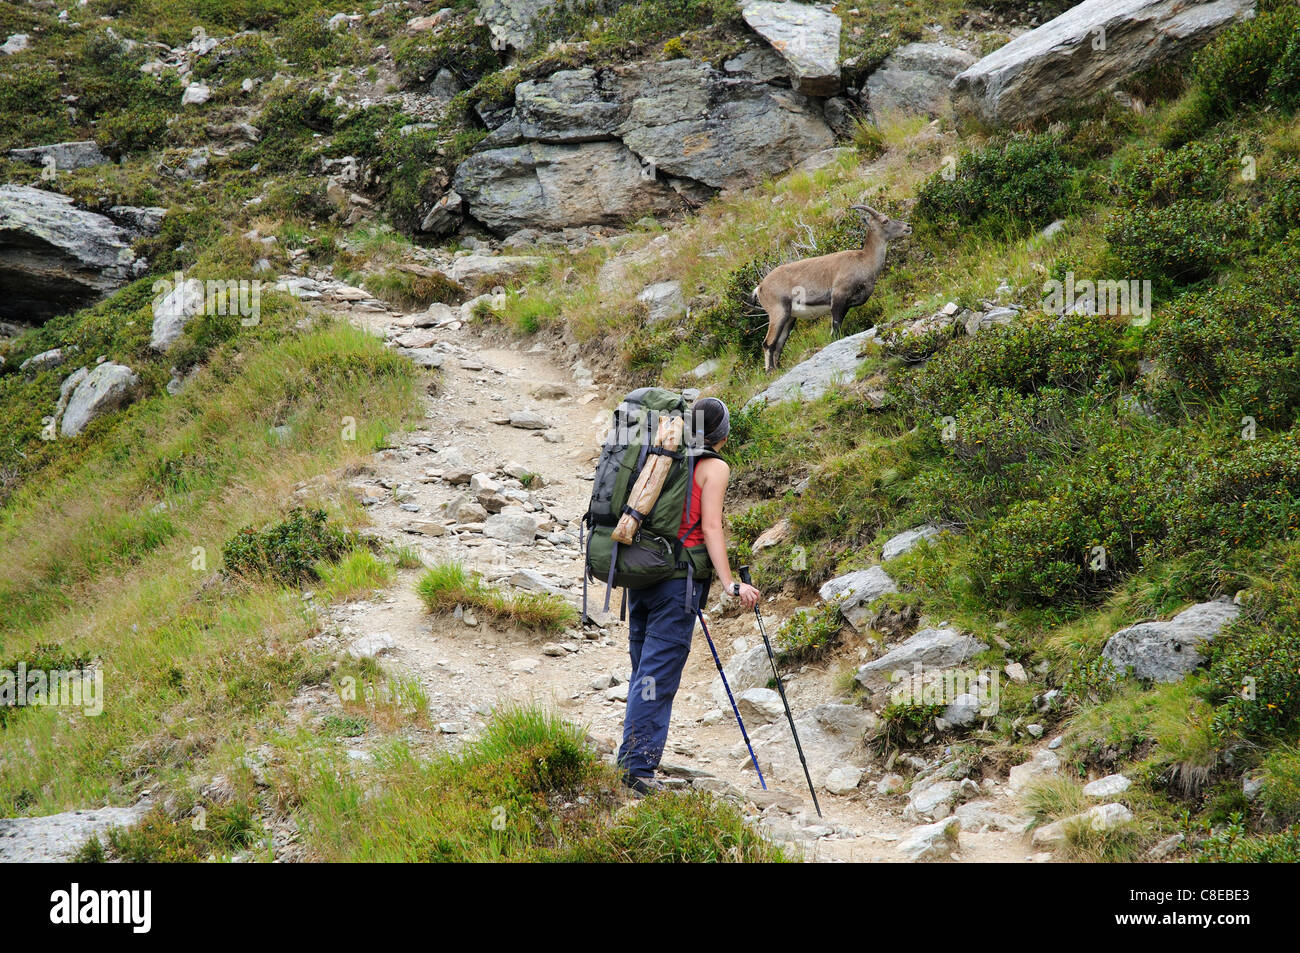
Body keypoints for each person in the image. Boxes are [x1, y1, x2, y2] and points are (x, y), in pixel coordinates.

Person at [616, 396, 762, 796]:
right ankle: (637, 771)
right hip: (677, 584)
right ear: (723, 435)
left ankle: (629, 762)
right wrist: (730, 582)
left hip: (641, 575)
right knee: (656, 677)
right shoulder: (714, 467)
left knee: (643, 673)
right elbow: (711, 528)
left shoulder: (663, 456)